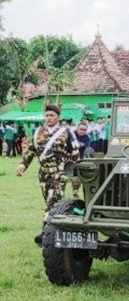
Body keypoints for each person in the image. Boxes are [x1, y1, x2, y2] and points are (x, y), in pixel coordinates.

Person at [16, 104, 79, 246]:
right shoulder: (38, 132)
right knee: (52, 204)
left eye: (52, 115)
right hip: (43, 175)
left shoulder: (66, 132)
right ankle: (58, 232)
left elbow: (75, 153)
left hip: (60, 174)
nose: (49, 118)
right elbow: (31, 151)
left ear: (58, 117)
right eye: (47, 115)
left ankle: (44, 234)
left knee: (53, 201)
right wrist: (22, 165)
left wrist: (77, 175)